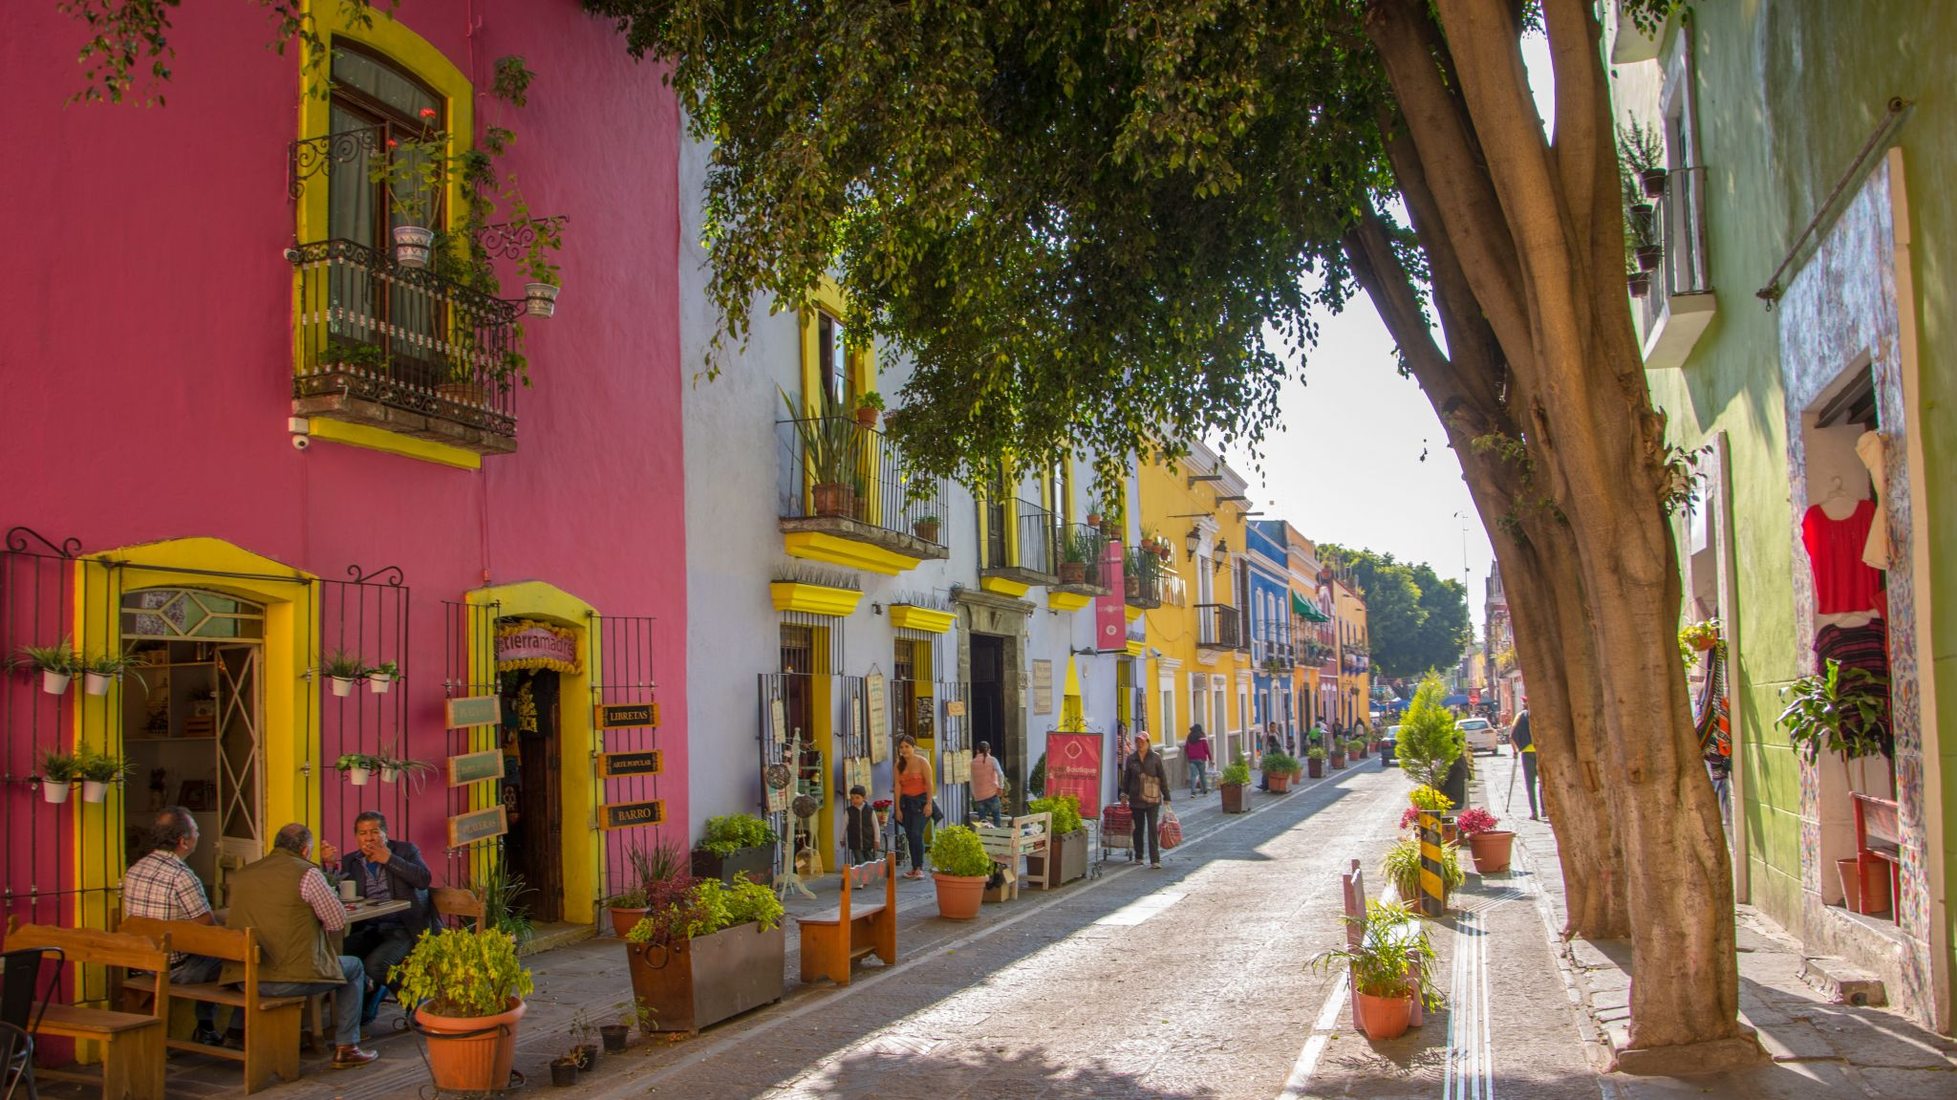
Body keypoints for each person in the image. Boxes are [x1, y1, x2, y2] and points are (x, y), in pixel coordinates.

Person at [223, 823, 376, 1068]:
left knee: (260, 959)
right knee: (355, 966)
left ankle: (234, 1031)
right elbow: (337, 920)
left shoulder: (245, 873)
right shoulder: (306, 874)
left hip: (243, 978)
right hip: (288, 979)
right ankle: (347, 1046)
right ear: (305, 850)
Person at [121, 807, 225, 1046]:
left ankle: (207, 1027)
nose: (199, 835)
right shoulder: (181, 876)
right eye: (196, 831)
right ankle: (208, 1027)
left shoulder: (135, 869)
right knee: (232, 962)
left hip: (142, 961)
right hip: (176, 967)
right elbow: (207, 925)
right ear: (183, 841)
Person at [321, 811, 434, 1027]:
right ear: (357, 837)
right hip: (371, 928)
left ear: (385, 833)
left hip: (405, 927)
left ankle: (419, 1005)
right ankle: (365, 1001)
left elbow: (423, 879)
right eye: (363, 833)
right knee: (334, 955)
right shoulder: (352, 861)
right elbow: (335, 891)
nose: (369, 838)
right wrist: (328, 866)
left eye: (374, 831)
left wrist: (390, 859)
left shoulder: (406, 851)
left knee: (377, 965)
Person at [1123, 733, 1170, 868]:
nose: (1139, 744)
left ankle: (1155, 859)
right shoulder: (1131, 759)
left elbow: (1162, 777)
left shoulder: (1155, 758)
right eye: (1137, 741)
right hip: (1136, 798)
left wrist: (1166, 796)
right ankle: (1139, 855)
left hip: (1153, 799)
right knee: (1138, 829)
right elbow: (1127, 778)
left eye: (1142, 741)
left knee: (1152, 829)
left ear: (1148, 742)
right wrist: (1124, 794)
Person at [893, 735, 936, 879]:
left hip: (921, 802)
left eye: (907, 746)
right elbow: (898, 786)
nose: (904, 750)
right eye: (901, 747)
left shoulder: (922, 762)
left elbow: (929, 783)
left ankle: (919, 867)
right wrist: (897, 808)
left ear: (913, 747)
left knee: (917, 833)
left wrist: (929, 803)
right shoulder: (899, 765)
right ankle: (914, 866)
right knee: (910, 835)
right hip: (906, 803)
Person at [1510, 704, 1543, 821]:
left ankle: (1534, 812)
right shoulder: (1541, 713)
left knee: (1530, 784)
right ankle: (1545, 809)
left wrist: (1515, 750)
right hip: (1541, 751)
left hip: (1527, 752)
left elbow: (1512, 735)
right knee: (1543, 782)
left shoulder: (1520, 716)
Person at [969, 741, 1006, 826]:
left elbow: (972, 779)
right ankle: (998, 837)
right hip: (992, 793)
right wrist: (1001, 787)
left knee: (982, 821)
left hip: (979, 796)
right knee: (996, 817)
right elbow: (1000, 774)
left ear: (977, 751)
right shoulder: (992, 760)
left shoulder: (973, 763)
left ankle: (985, 838)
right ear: (989, 750)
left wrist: (974, 794)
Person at [844, 785, 878, 865]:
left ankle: (869, 876)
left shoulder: (870, 810)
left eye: (857, 797)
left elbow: (875, 826)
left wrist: (877, 840)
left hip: (868, 841)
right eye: (852, 798)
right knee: (860, 861)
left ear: (864, 798)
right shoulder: (849, 811)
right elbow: (844, 825)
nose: (854, 800)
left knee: (870, 861)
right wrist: (842, 838)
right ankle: (860, 877)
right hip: (855, 841)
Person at [1183, 724, 1212, 796]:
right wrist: (1210, 758)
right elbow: (1206, 749)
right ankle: (1205, 791)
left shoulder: (1189, 737)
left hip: (1192, 759)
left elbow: (1186, 748)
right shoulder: (1202, 737)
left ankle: (1193, 792)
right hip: (1201, 759)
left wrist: (1189, 756)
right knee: (1202, 775)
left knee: (1193, 776)